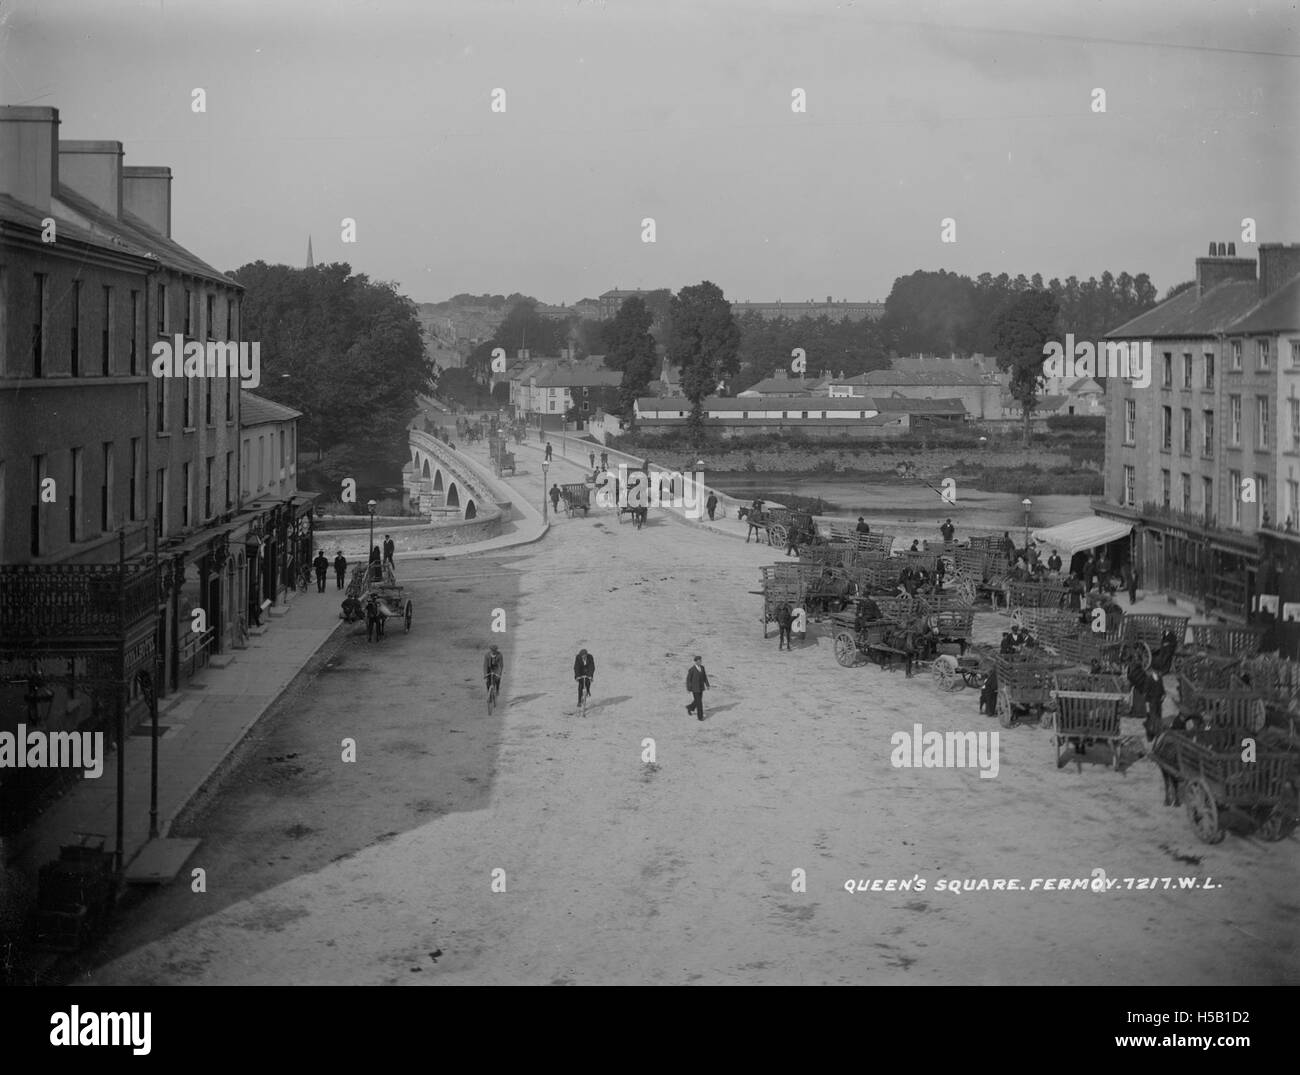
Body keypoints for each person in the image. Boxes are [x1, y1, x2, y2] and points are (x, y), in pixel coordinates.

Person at [685, 655, 710, 721]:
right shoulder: (692, 669)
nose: (700, 662)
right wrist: (688, 688)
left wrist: (707, 684)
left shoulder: (702, 667)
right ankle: (700, 717)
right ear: (695, 662)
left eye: (700, 661)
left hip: (701, 688)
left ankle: (690, 707)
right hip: (695, 689)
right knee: (699, 703)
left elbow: (705, 677)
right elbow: (688, 680)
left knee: (697, 701)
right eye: (698, 661)